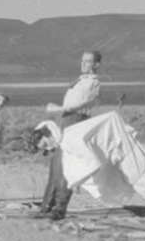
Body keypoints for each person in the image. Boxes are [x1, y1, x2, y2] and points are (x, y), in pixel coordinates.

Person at [37, 51, 102, 219]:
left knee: (67, 165)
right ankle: (46, 207)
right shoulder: (80, 80)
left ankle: (59, 208)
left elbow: (86, 102)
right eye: (83, 61)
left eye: (88, 61)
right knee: (56, 164)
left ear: (96, 64)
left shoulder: (93, 82)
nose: (84, 64)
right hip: (66, 120)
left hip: (77, 121)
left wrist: (60, 109)